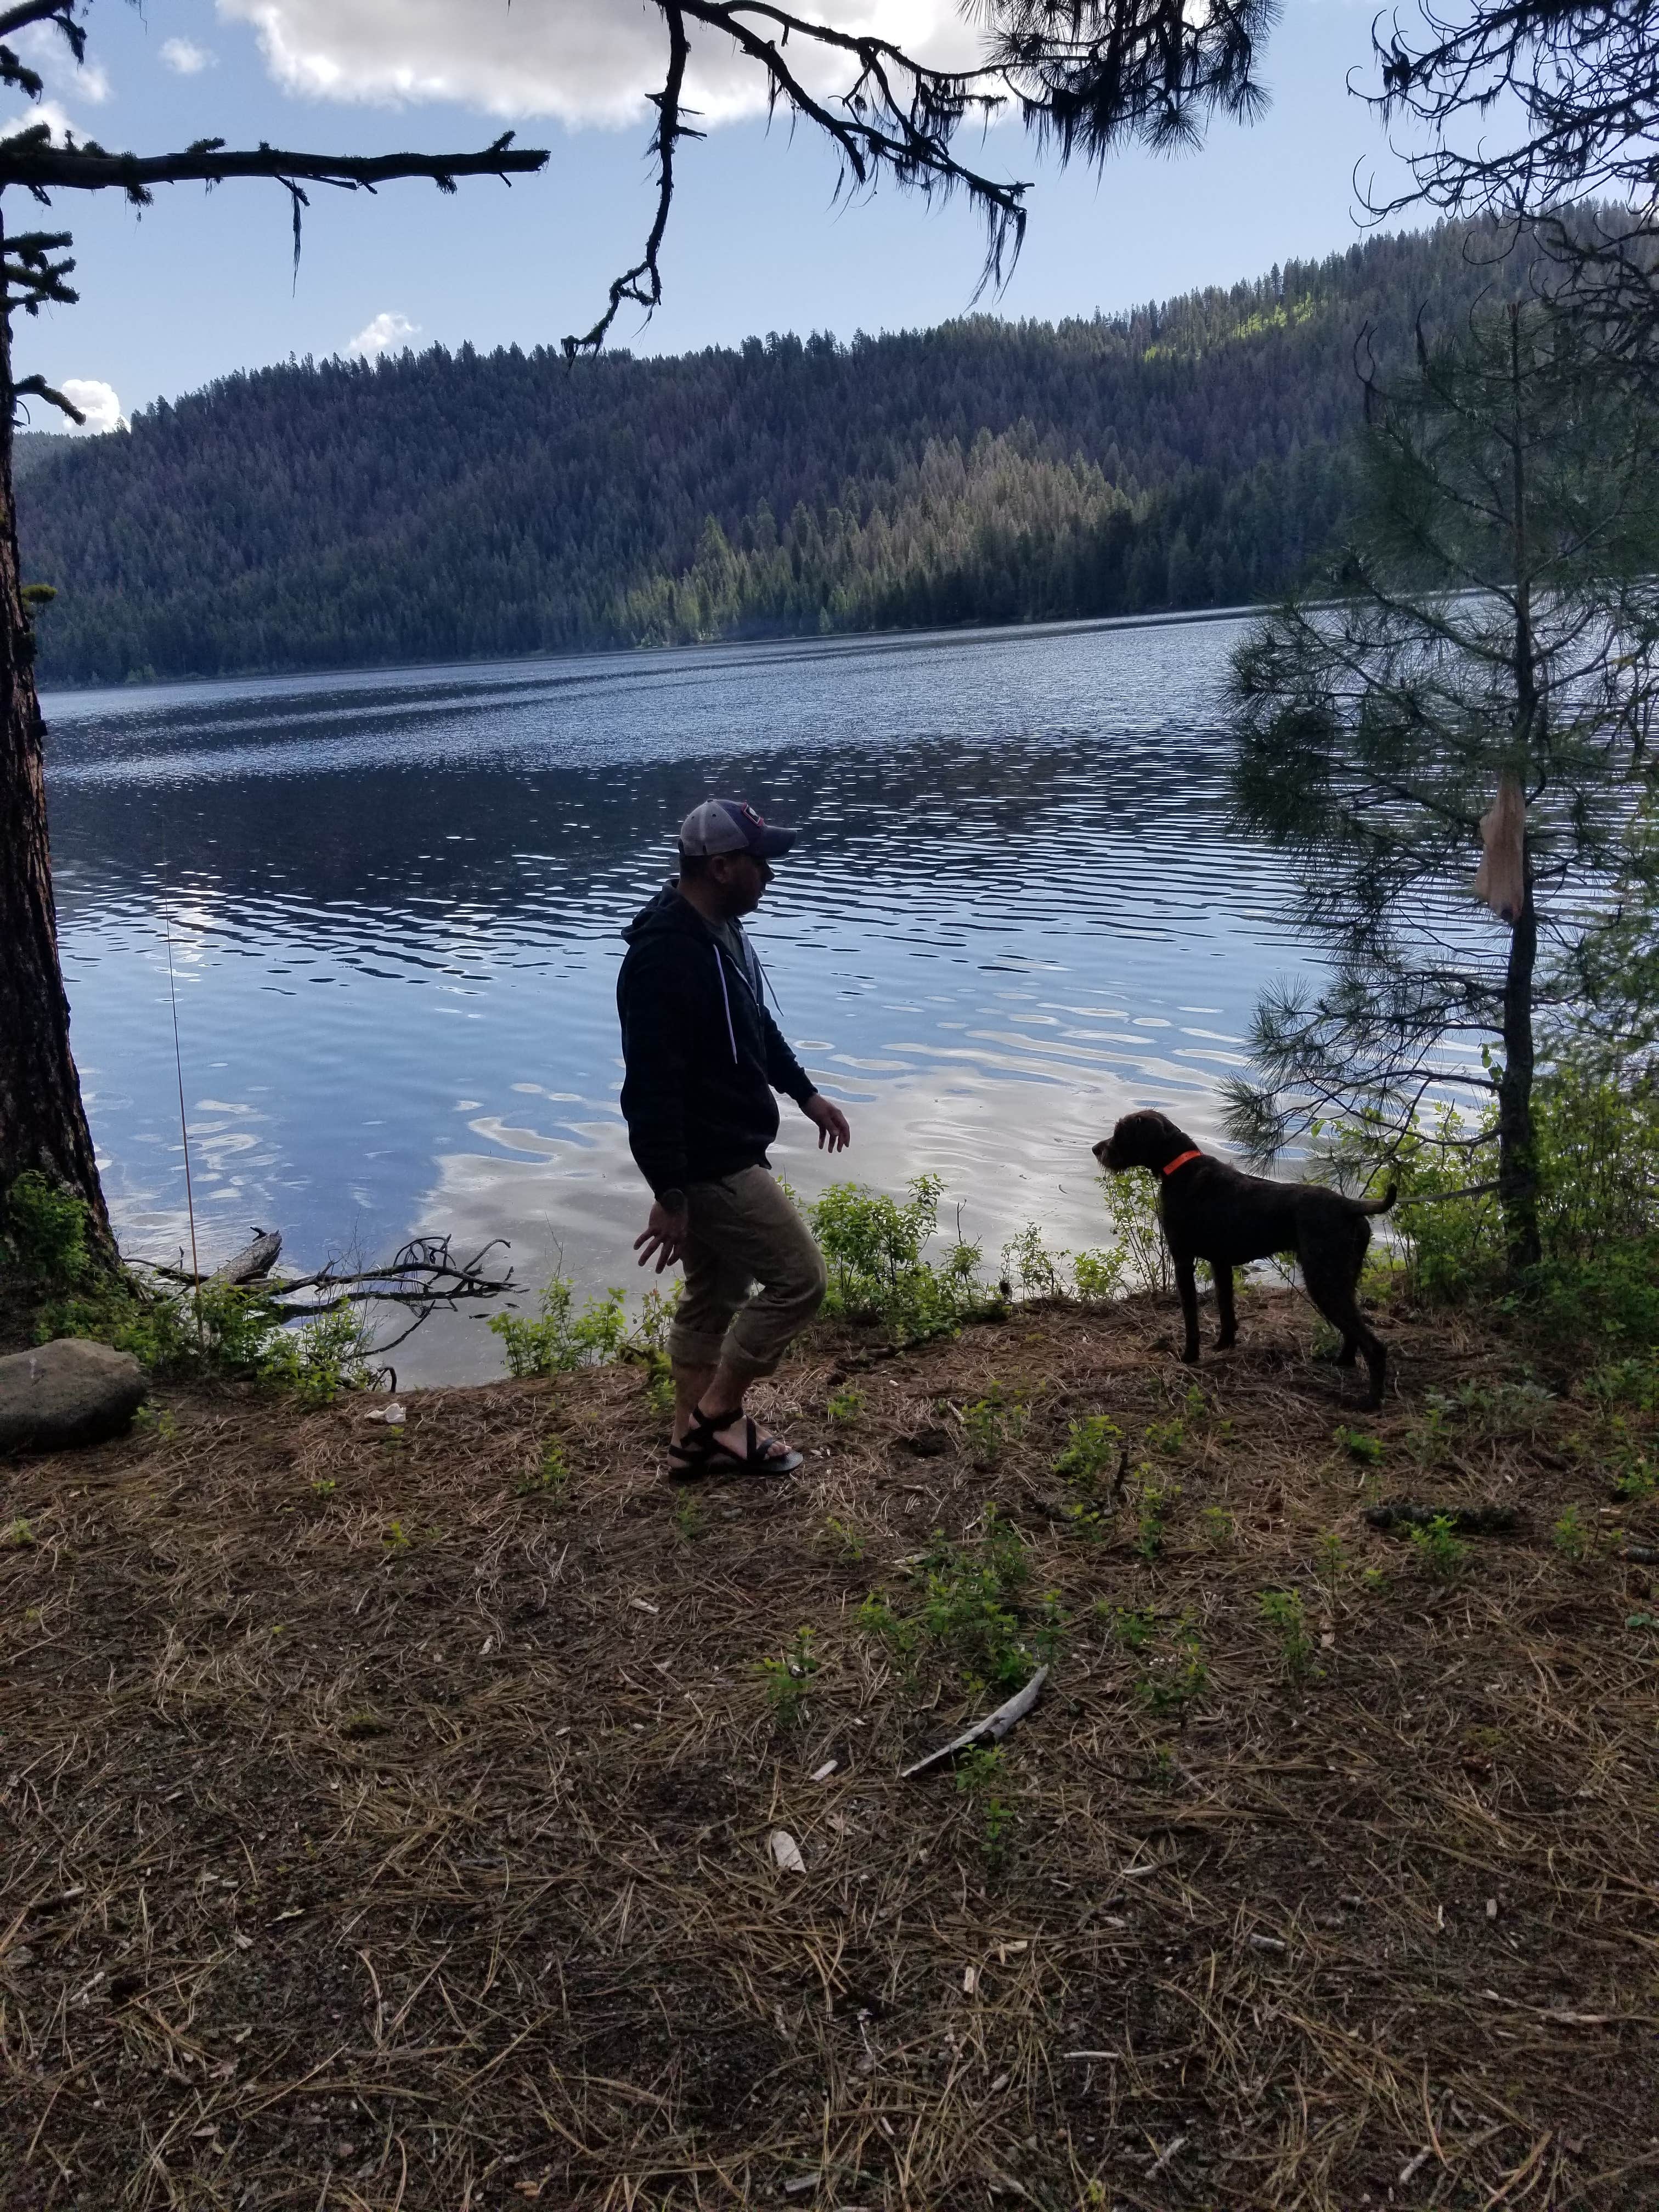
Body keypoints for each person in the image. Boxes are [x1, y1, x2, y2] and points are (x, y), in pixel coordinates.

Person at [617, 798, 851, 1476]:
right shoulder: (664, 958)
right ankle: (717, 1415)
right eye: (760, 862)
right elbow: (649, 1088)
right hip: (711, 1162)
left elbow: (756, 1027)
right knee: (800, 1280)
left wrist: (805, 1093)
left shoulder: (721, 934)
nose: (770, 875)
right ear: (721, 867)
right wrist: (670, 1191)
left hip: (728, 1145)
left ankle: (691, 1442)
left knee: (713, 1296)